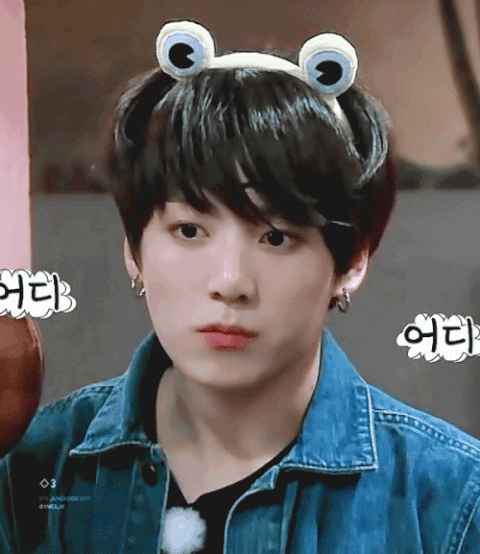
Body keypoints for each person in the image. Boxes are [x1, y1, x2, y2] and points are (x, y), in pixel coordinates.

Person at [1, 19, 480, 554]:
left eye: (276, 237)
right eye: (189, 231)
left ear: (350, 262)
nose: (229, 282)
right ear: (134, 252)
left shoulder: (449, 501)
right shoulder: (30, 469)